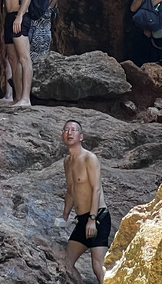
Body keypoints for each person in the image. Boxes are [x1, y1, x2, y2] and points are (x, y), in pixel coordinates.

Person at [59, 118, 110, 283]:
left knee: (97, 265)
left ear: (81, 137)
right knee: (66, 262)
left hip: (98, 217)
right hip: (81, 219)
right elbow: (71, 191)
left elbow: (96, 189)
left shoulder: (89, 158)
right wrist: (65, 215)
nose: (69, 133)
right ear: (62, 136)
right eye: (66, 130)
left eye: (73, 130)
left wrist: (92, 219)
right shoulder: (67, 162)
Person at [29, 0, 58, 65]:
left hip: (32, 31)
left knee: (27, 63)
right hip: (46, 33)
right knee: (41, 66)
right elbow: (53, 13)